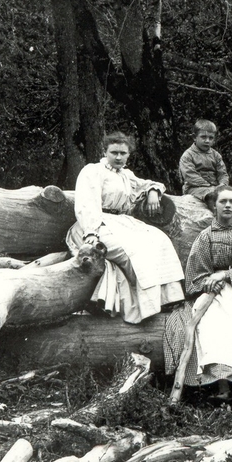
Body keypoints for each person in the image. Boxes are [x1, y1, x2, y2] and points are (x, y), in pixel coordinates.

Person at [162, 186, 232, 402]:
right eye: (223, 201)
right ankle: (222, 386)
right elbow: (195, 275)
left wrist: (226, 275)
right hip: (214, 293)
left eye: (231, 201)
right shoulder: (205, 237)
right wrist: (209, 282)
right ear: (215, 206)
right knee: (211, 325)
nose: (227, 205)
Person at [67, 131, 185, 323]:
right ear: (105, 152)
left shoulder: (125, 175)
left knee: (159, 239)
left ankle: (167, 298)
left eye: (123, 153)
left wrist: (153, 192)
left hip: (121, 223)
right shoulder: (93, 171)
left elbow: (148, 184)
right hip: (95, 224)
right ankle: (146, 303)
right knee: (132, 250)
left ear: (128, 155)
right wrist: (91, 232)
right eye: (114, 152)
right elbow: (87, 203)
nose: (118, 157)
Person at [178, 119, 229, 204]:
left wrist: (222, 184)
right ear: (194, 137)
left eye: (211, 138)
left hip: (215, 187)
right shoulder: (188, 155)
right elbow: (190, 176)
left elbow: (222, 173)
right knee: (209, 194)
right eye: (203, 137)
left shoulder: (216, 155)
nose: (207, 141)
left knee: (231, 193)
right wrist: (209, 186)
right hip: (195, 188)